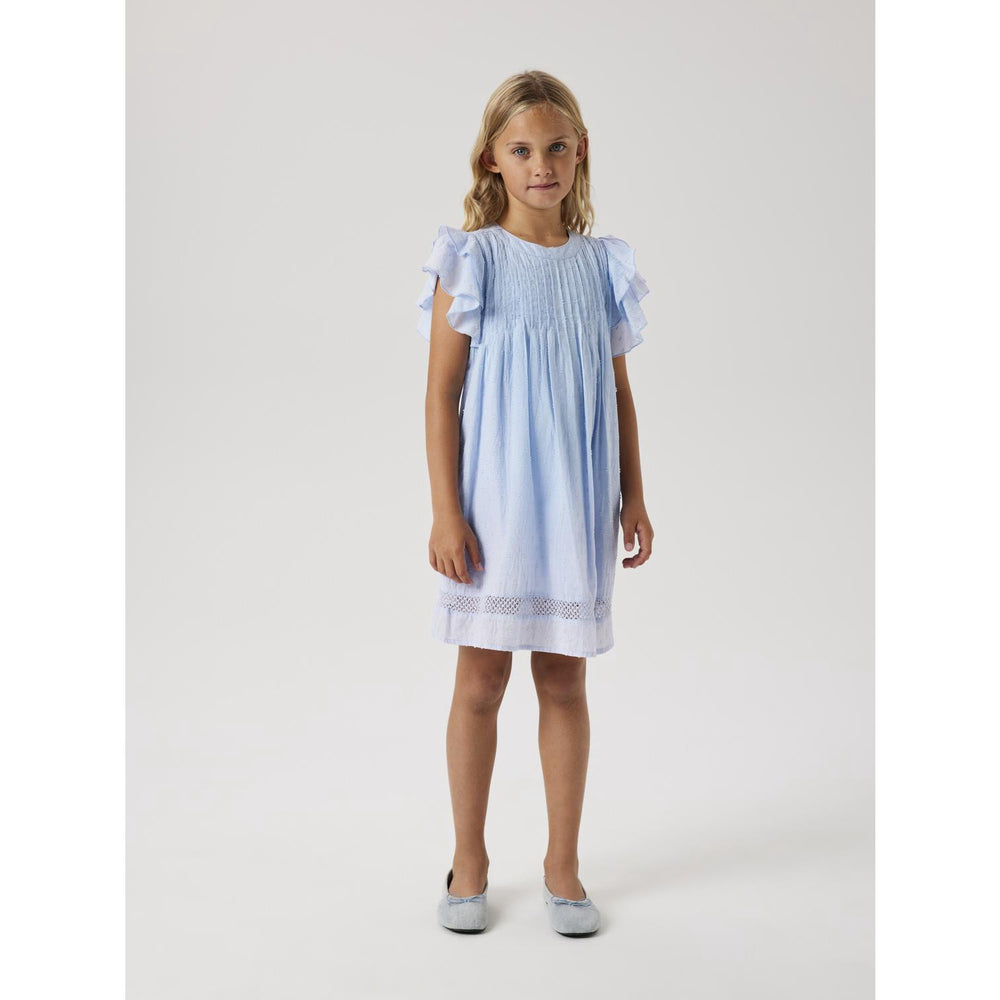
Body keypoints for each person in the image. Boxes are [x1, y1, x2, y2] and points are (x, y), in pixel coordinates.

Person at [416, 70, 654, 936]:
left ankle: (562, 865)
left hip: (576, 500)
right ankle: (469, 859)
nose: (541, 165)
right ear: (493, 159)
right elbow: (441, 395)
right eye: (521, 150)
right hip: (494, 506)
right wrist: (447, 512)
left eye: (556, 147)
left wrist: (634, 494)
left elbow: (618, 391)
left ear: (579, 151)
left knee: (564, 678)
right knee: (481, 679)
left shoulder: (599, 266)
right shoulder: (472, 260)